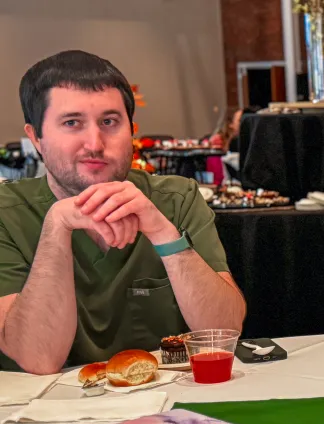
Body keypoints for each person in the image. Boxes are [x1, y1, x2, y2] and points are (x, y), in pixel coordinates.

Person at [0, 50, 246, 374]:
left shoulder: (176, 199)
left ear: (131, 128)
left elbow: (224, 334)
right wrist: (57, 225)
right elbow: (39, 359)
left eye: (109, 122)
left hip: (171, 408)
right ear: (36, 138)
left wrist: (163, 233)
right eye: (72, 123)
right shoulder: (8, 214)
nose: (95, 143)